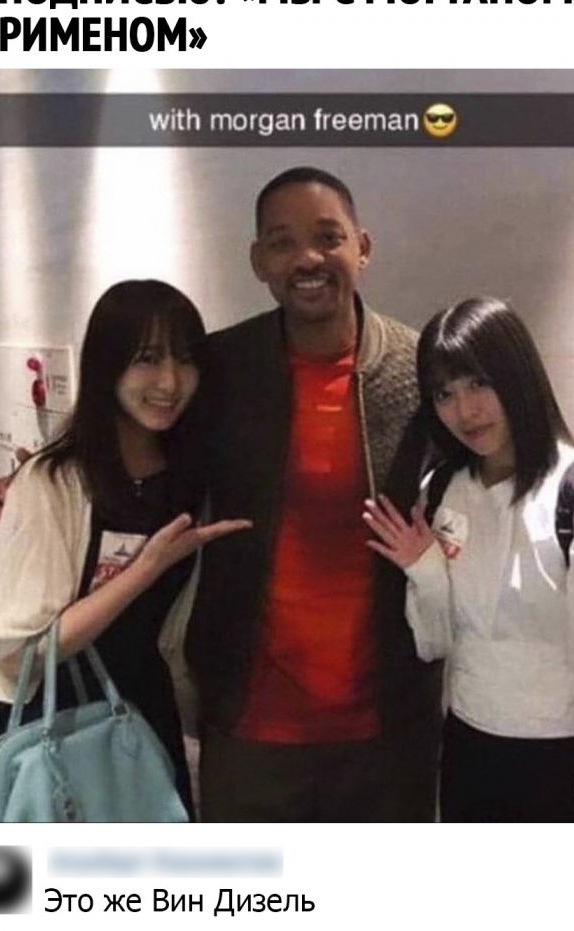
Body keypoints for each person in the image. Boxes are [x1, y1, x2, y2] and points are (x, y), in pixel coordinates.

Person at [185, 167, 443, 821]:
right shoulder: (222, 368)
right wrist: (49, 476)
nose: (307, 258)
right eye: (282, 242)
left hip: (387, 726)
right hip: (250, 724)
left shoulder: (418, 371)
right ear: (258, 260)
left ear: (363, 247)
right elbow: (142, 452)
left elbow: (492, 462)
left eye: (328, 237)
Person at [0, 280, 250, 822]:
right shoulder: (55, 480)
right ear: (108, 365)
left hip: (134, 707)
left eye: (184, 359)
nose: (169, 381)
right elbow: (28, 651)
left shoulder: (190, 479)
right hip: (29, 713)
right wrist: (146, 568)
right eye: (146, 359)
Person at [363, 296, 574, 822]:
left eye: (480, 383)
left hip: (561, 763)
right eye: (444, 393)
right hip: (467, 748)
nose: (465, 410)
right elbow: (435, 644)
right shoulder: (442, 490)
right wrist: (425, 570)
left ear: (518, 376)